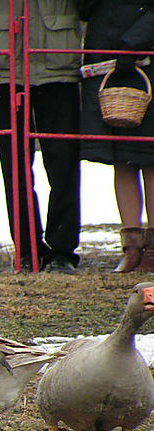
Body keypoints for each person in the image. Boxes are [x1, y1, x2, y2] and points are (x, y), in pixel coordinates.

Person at [0, 0, 82, 273]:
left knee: (63, 161)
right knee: (13, 163)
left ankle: (62, 250)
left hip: (56, 56)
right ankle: (26, 248)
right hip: (1, 59)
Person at [79, 0, 154, 273]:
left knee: (149, 159)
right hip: (106, 66)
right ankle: (131, 246)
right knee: (122, 158)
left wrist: (133, 42)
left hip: (146, 59)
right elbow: (84, 10)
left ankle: (153, 249)